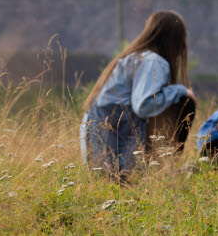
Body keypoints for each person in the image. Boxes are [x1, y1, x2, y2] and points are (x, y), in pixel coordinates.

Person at [79, 10, 193, 178]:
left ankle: (157, 168)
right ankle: (164, 166)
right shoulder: (153, 61)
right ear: (174, 40)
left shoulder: (134, 58)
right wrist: (182, 90)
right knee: (185, 100)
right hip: (117, 157)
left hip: (98, 156)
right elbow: (144, 106)